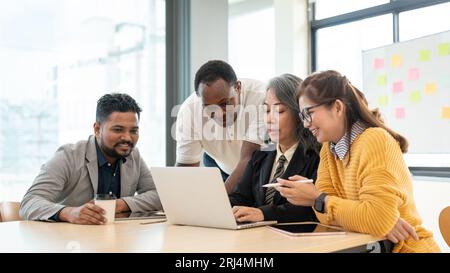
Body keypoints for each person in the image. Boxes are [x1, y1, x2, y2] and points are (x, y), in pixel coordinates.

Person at [276, 70, 440, 252]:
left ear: (337, 107)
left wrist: (318, 198)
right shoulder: (328, 150)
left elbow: (375, 218)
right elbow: (327, 218)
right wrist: (368, 218)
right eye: (302, 117)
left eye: (309, 113)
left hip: (406, 248)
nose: (306, 124)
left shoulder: (375, 140)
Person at [20, 93, 162, 224]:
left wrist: (120, 204)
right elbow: (29, 202)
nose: (127, 137)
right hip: (67, 243)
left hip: (116, 241)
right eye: (118, 130)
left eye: (133, 131)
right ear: (97, 130)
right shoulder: (68, 156)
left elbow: (159, 195)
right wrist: (69, 213)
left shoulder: (133, 155)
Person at [229, 74, 321, 223]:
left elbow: (308, 208)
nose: (270, 119)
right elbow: (240, 197)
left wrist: (263, 214)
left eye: (279, 111)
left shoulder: (317, 158)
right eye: (266, 111)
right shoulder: (259, 159)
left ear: (299, 114)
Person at [176, 60, 267, 193]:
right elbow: (186, 167)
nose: (219, 114)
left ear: (238, 88)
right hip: (221, 166)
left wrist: (217, 202)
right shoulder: (189, 111)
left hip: (260, 172)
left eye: (224, 103)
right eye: (209, 108)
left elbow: (249, 158)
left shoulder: (261, 97)